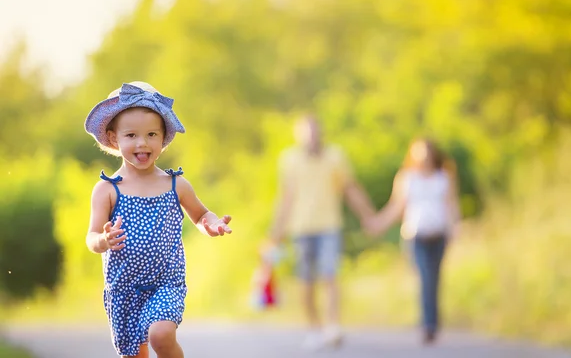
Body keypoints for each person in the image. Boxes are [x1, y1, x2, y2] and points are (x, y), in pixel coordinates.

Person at [84, 81, 233, 358]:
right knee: (134, 355)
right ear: (115, 139)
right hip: (124, 289)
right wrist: (103, 240)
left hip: (166, 282)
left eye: (151, 134)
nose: (142, 143)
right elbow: (91, 237)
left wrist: (212, 224)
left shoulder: (176, 184)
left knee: (161, 336)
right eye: (131, 135)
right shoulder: (107, 190)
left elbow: (200, 214)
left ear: (163, 137)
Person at [270, 114, 374, 351]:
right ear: (299, 136)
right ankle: (314, 329)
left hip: (329, 226)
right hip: (300, 228)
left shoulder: (335, 156)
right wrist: (276, 231)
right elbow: (286, 197)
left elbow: (350, 188)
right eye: (306, 133)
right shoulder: (289, 159)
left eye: (314, 132)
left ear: (321, 133)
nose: (311, 137)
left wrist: (368, 215)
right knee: (306, 281)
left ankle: (333, 326)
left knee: (330, 275)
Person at [365, 138, 460, 345]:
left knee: (434, 279)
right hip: (416, 236)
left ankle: (431, 321)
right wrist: (377, 224)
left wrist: (456, 228)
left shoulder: (443, 177)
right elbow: (397, 207)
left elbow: (451, 205)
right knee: (424, 277)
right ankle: (428, 324)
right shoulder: (406, 178)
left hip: (439, 234)